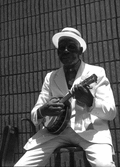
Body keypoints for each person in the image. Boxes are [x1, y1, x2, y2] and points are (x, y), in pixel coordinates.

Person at [14, 27, 117, 167]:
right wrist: (43, 111)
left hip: (90, 132)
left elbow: (111, 112)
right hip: (55, 132)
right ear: (58, 52)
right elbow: (35, 112)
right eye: (62, 48)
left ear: (80, 51)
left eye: (71, 47)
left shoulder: (96, 73)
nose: (66, 51)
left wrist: (90, 101)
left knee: (104, 165)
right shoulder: (50, 77)